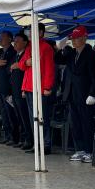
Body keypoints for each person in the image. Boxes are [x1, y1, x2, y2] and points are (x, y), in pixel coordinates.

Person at [56, 25, 95, 163]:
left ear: (84, 38)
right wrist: (59, 49)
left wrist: (93, 93)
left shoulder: (92, 54)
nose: (74, 41)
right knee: (75, 123)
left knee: (87, 123)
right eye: (73, 38)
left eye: (77, 38)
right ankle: (80, 149)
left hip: (86, 94)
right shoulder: (72, 54)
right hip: (72, 94)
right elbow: (58, 60)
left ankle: (90, 151)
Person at [18, 23, 56, 155]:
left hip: (40, 88)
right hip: (29, 87)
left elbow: (50, 69)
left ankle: (45, 144)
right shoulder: (29, 47)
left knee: (42, 117)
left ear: (40, 33)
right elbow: (22, 65)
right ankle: (37, 143)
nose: (29, 34)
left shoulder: (46, 47)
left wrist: (47, 87)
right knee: (32, 117)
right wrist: (26, 63)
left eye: (32, 31)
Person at [0, 31, 19, 146]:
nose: (0, 40)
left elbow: (9, 69)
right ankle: (8, 135)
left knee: (11, 113)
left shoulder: (13, 52)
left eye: (3, 38)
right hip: (1, 87)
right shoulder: (1, 52)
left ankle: (14, 137)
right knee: (4, 113)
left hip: (9, 87)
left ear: (10, 39)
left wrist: (1, 65)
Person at [10, 32, 32, 149]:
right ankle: (23, 138)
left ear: (25, 42)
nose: (15, 43)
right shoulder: (16, 55)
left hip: (23, 90)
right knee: (19, 116)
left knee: (25, 116)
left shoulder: (26, 54)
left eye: (17, 41)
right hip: (15, 90)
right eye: (14, 41)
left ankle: (29, 140)